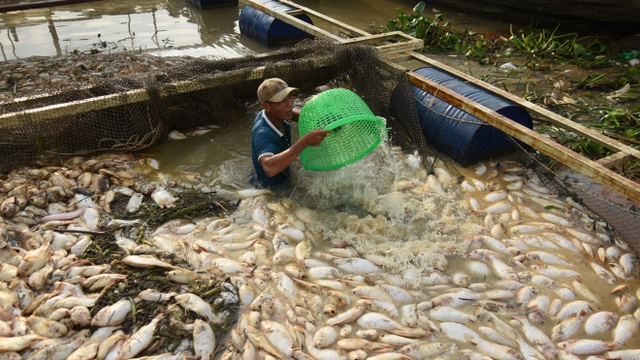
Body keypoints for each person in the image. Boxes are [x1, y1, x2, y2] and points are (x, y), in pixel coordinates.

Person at [251, 78, 331, 190]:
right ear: (266, 106)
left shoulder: (273, 114)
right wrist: (304, 142)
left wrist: (320, 119)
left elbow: (293, 114)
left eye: (289, 97)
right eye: (281, 101)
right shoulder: (263, 133)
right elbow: (269, 168)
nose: (290, 103)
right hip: (273, 189)